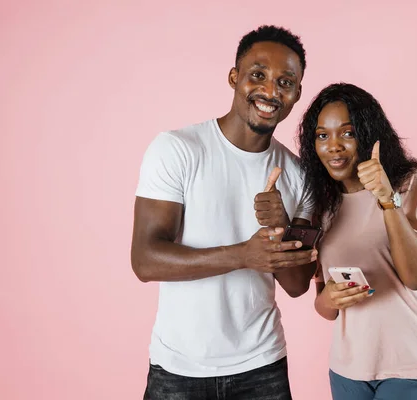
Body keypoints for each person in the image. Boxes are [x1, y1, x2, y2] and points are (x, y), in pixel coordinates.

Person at [131, 25, 318, 400]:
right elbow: (145, 260)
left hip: (261, 366)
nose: (269, 91)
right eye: (258, 75)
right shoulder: (177, 149)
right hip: (177, 368)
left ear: (297, 93)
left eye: (285, 82)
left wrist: (281, 226)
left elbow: (298, 285)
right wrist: (243, 256)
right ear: (234, 77)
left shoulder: (299, 175)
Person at [297, 83, 417, 400]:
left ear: (367, 134)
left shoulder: (408, 184)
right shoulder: (323, 205)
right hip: (348, 368)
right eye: (322, 135)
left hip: (410, 365)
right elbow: (323, 305)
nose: (333, 146)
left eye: (347, 133)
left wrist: (386, 199)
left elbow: (416, 276)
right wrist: (332, 299)